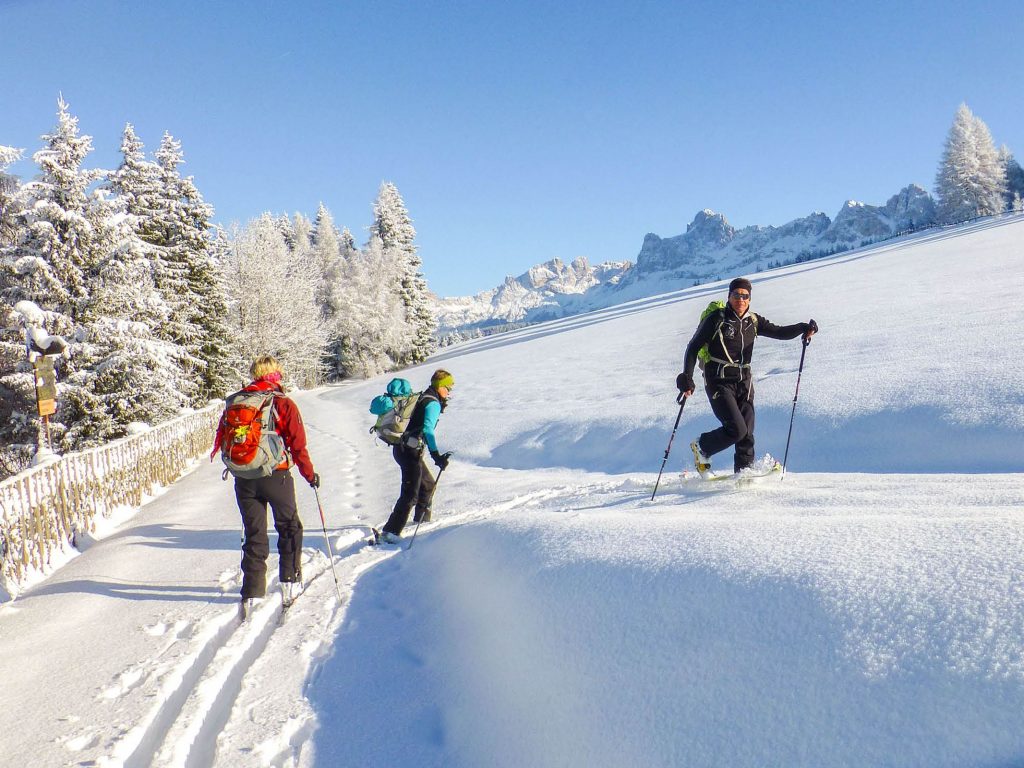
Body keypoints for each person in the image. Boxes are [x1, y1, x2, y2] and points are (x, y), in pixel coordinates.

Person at [677, 278, 817, 475]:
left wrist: (803, 328)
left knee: (747, 431)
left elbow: (779, 332)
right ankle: (703, 447)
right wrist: (686, 377)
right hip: (718, 380)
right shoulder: (717, 319)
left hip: (743, 381)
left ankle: (744, 471)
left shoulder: (753, 321)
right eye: (736, 295)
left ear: (749, 299)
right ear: (729, 296)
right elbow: (693, 347)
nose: (740, 299)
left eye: (745, 296)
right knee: (736, 428)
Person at [213, 355, 319, 609]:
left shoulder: (237, 402)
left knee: (254, 533)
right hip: (276, 475)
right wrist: (309, 475)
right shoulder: (282, 403)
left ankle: (251, 592)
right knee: (289, 526)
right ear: (276, 375)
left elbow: (221, 437)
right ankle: (290, 581)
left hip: (244, 478)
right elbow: (298, 445)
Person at [379, 369, 454, 544]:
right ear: (440, 386)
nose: (449, 392)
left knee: (427, 485)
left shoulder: (424, 396)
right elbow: (427, 429)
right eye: (448, 387)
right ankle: (390, 532)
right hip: (409, 452)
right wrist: (436, 456)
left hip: (404, 449)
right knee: (410, 494)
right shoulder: (433, 403)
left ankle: (421, 522)